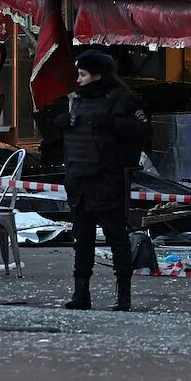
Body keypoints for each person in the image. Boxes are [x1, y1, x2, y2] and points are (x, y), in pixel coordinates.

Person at [55, 50, 150, 312]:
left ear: (97, 75)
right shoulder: (79, 101)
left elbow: (143, 131)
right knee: (82, 241)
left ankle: (123, 298)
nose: (79, 79)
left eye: (83, 74)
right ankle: (81, 294)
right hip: (80, 184)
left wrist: (112, 124)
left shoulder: (122, 100)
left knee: (116, 239)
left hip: (108, 182)